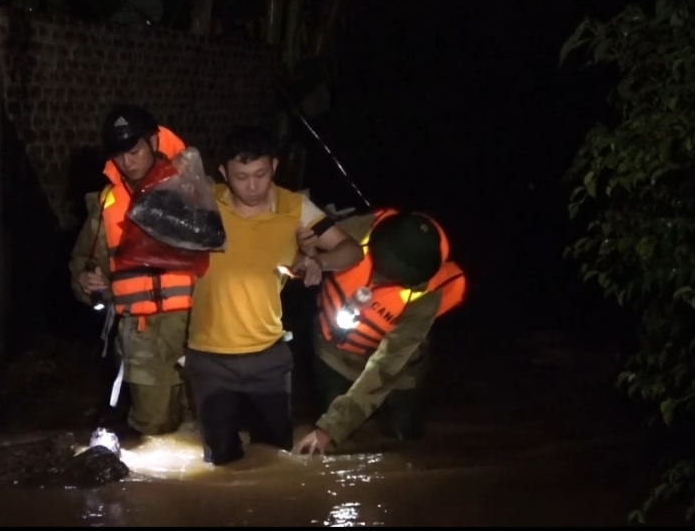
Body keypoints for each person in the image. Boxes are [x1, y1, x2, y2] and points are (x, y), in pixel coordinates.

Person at [184, 125, 364, 465]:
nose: (252, 186)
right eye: (241, 176)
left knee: (276, 459)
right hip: (209, 358)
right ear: (223, 173)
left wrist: (318, 261)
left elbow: (352, 251)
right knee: (220, 462)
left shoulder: (295, 208)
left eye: (260, 174)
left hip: (268, 357)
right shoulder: (207, 202)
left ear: (274, 168)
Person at [294, 208, 468, 455]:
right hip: (333, 353)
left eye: (390, 276)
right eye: (379, 264)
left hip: (397, 368)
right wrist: (306, 248)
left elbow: (385, 368)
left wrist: (329, 431)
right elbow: (294, 236)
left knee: (404, 441)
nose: (377, 279)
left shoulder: (427, 297)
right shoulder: (357, 229)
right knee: (334, 441)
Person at [69, 104, 196, 438]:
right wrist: (86, 280)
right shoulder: (106, 205)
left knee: (213, 432)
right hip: (142, 339)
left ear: (153, 142)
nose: (128, 162)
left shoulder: (193, 187)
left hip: (200, 331)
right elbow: (83, 261)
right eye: (120, 155)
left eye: (135, 151)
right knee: (154, 433)